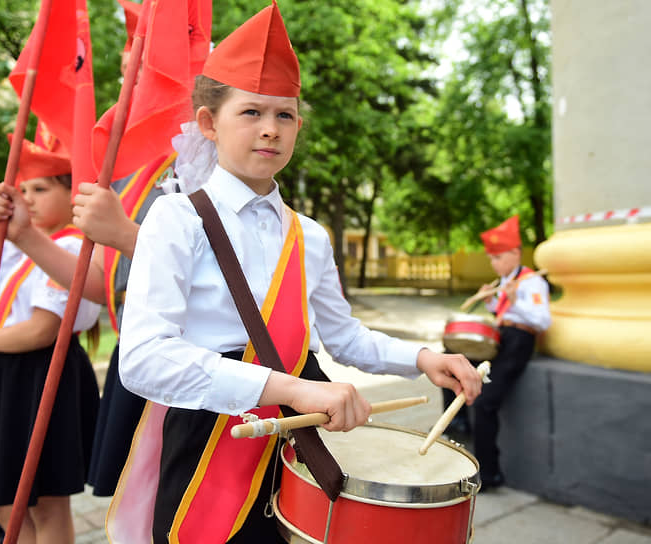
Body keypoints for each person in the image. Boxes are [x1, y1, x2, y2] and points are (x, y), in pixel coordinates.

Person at [115, 3, 483, 542]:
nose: (270, 130)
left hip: (304, 436)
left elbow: (342, 335)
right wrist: (290, 387)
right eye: (251, 113)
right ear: (207, 123)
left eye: (284, 115)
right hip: (215, 433)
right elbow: (144, 359)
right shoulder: (176, 218)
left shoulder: (309, 234)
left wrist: (424, 358)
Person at [0, 2, 214, 500]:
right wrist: (26, 235)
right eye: (133, 63)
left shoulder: (218, 161)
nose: (132, 76)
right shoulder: (132, 169)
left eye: (146, 64)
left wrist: (130, 236)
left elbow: (229, 281)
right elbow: (111, 287)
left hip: (209, 372)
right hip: (143, 363)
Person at [0, 139, 101, 544]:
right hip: (2, 373)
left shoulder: (69, 247)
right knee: (3, 500)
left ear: (72, 194)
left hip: (43, 373)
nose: (28, 199)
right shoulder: (9, 248)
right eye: (24, 189)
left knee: (44, 501)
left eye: (42, 188)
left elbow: (41, 331)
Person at [444, 215, 551, 491]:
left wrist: (516, 300)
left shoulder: (531, 282)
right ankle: (457, 422)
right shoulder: (505, 279)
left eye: (499, 257)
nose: (495, 263)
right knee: (450, 360)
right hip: (502, 337)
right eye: (492, 259)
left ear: (516, 253)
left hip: (519, 341)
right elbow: (502, 314)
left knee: (485, 403)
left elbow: (541, 320)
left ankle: (489, 474)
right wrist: (492, 301)